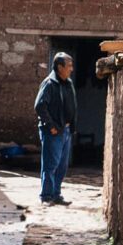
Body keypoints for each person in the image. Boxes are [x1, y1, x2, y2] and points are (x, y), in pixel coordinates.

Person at [33, 52, 77, 205]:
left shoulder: (68, 83)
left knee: (62, 165)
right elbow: (39, 106)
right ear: (60, 67)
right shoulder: (50, 83)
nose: (71, 69)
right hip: (53, 131)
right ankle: (46, 196)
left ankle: (56, 194)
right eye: (69, 66)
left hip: (65, 131)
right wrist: (50, 126)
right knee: (51, 164)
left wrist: (71, 126)